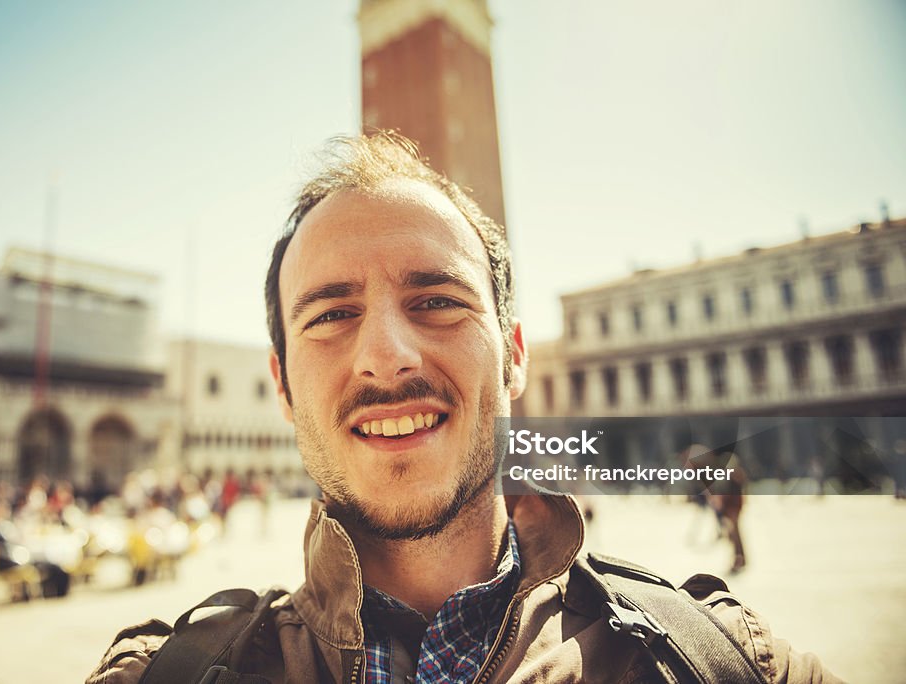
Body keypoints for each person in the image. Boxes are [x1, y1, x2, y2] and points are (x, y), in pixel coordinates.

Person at [87, 133, 839, 683]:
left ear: (514, 355)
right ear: (281, 385)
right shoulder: (169, 674)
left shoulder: (716, 659)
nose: (387, 354)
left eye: (438, 301)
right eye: (329, 315)